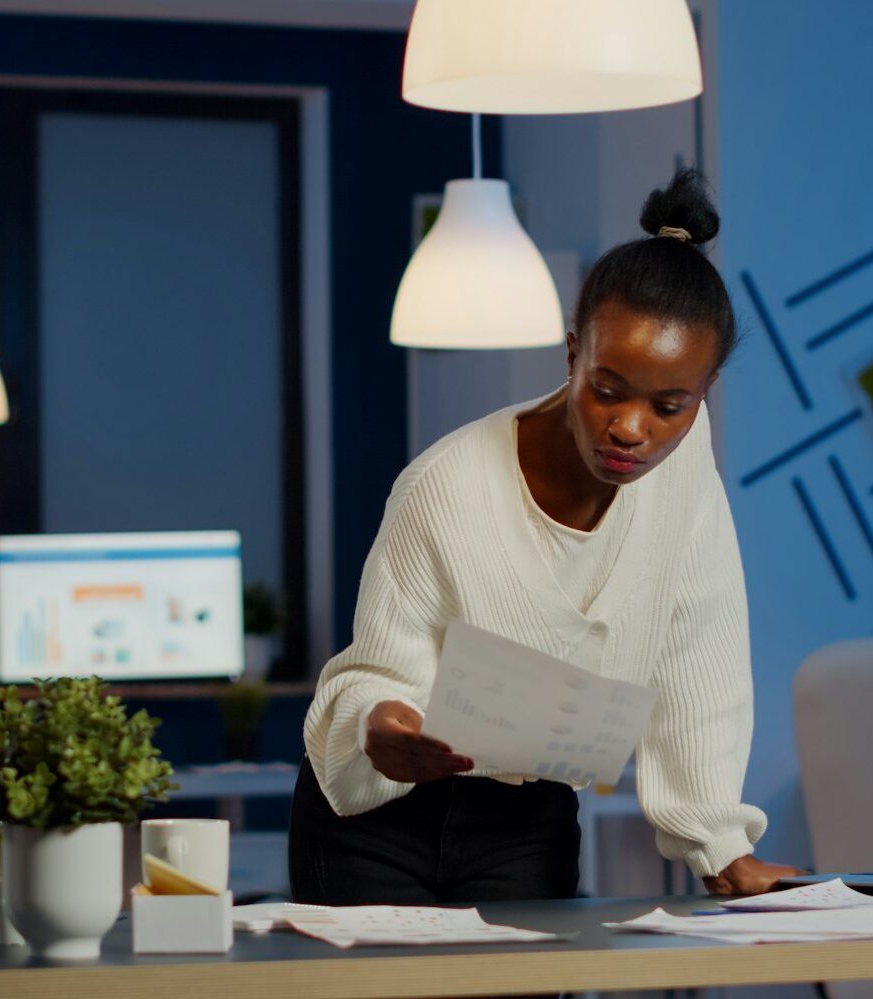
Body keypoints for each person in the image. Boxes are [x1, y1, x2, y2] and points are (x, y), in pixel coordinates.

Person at [290, 167, 799, 904]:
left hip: (527, 818)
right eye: (607, 388)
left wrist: (719, 845)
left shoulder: (684, 469)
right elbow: (378, 667)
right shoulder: (445, 486)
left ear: (701, 396)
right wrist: (380, 724)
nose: (632, 426)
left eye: (669, 404)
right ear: (572, 356)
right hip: (379, 819)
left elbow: (701, 655)